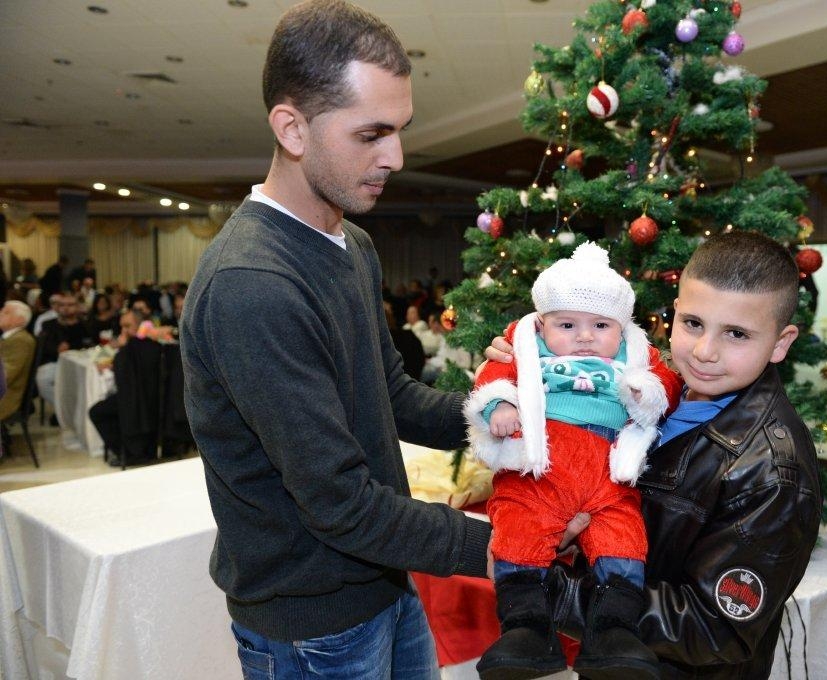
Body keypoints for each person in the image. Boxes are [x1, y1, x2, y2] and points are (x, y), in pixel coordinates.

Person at [179, 2, 492, 678]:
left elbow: (390, 394)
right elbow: (339, 502)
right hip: (314, 625)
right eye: (371, 134)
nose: (395, 158)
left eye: (400, 131)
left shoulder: (353, 244)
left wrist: (496, 411)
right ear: (292, 128)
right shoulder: (253, 283)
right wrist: (497, 549)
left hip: (385, 578)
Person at [486, 231, 823, 678]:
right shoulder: (646, 385)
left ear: (781, 343)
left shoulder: (773, 471)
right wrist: (525, 366)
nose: (704, 352)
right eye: (693, 323)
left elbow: (715, 626)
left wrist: (552, 590)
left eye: (737, 334)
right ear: (673, 313)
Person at [467, 242, 682, 679]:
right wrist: (499, 405)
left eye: (600, 325)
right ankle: (526, 630)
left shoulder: (636, 353)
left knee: (623, 539)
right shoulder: (524, 345)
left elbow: (668, 383)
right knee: (518, 530)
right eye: (567, 325)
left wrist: (649, 392)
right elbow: (493, 376)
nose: (585, 336)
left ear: (621, 327)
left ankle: (613, 632)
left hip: (609, 475)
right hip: (539, 469)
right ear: (542, 323)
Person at [88, 310, 163, 466]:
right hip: (152, 402)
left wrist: (121, 349)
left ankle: (129, 454)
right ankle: (131, 450)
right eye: (122, 327)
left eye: (127, 326)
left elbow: (121, 371)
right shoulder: (143, 344)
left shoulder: (138, 346)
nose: (124, 331)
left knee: (97, 412)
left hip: (137, 401)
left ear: (140, 325)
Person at [35, 293, 88, 420]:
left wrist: (70, 347)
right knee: (42, 379)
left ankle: (66, 411)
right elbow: (44, 346)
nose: (66, 308)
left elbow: (88, 343)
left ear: (77, 307)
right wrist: (56, 349)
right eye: (62, 305)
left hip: (79, 362)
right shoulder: (48, 324)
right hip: (54, 361)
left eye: (70, 305)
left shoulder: (84, 325)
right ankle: (67, 409)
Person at [0, 301, 37, 426]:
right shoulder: (10, 338)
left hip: (6, 398)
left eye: (6, 312)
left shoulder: (20, 340)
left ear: (19, 320)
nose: (0, 314)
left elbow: (6, 376)